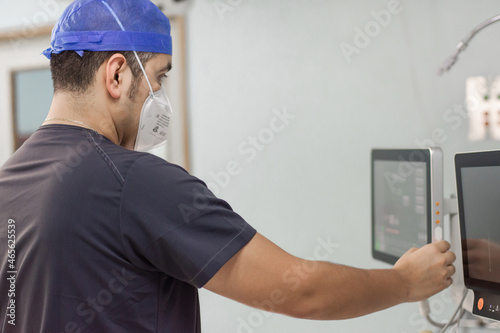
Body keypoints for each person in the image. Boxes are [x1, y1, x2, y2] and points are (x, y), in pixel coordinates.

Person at [0, 0, 456, 332]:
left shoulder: (9, 181)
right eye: (158, 77)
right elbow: (300, 290)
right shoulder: (132, 180)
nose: (159, 97)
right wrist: (404, 283)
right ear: (117, 74)